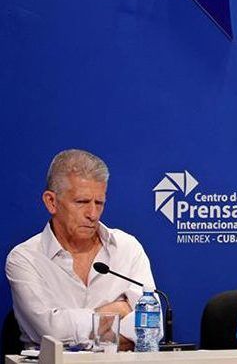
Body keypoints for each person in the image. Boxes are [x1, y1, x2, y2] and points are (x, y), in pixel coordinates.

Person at [5, 149, 158, 349]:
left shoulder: (127, 248)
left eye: (99, 203)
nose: (93, 214)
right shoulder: (25, 258)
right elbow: (50, 332)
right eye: (82, 202)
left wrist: (74, 328)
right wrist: (114, 312)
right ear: (51, 202)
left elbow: (151, 327)